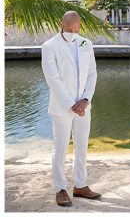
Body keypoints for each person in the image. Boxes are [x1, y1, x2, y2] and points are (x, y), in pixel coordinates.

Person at [40, 11, 101, 207]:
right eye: (69, 29)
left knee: (82, 146)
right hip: (61, 107)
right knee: (60, 148)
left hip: (84, 106)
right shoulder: (49, 47)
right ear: (61, 24)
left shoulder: (86, 44)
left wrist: (85, 99)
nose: (73, 33)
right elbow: (53, 79)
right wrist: (71, 104)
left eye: (76, 29)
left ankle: (80, 185)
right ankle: (60, 188)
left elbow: (92, 73)